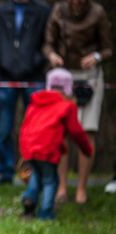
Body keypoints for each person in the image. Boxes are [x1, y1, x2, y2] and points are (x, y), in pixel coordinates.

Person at [43, 0, 113, 204]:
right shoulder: (59, 10)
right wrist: (52, 55)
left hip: (90, 76)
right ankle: (62, 187)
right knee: (61, 131)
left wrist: (97, 56)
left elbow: (108, 48)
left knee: (87, 130)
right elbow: (47, 43)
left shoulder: (97, 12)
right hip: (63, 76)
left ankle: (82, 188)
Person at [0, 0, 51, 184]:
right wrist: (2, 61)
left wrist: (35, 62)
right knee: (3, 128)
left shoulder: (43, 11)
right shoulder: (0, 12)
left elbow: (50, 43)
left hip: (34, 78)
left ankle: (34, 171)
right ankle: (6, 172)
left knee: (36, 129)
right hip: (5, 78)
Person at [19, 68, 92, 219]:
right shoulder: (67, 106)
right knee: (51, 180)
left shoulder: (35, 102)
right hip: (48, 150)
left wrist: (24, 150)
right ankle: (46, 213)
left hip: (30, 148)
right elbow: (76, 132)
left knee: (36, 176)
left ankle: (29, 199)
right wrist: (87, 149)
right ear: (67, 89)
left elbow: (25, 126)